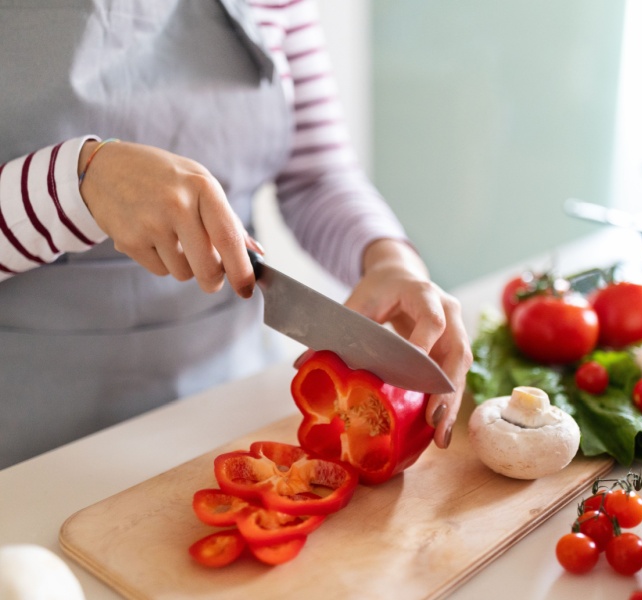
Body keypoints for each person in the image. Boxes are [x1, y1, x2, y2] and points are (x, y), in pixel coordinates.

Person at [0, 0, 472, 468]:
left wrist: (389, 260)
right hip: (25, 444)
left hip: (228, 408)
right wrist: (75, 184)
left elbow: (316, 177)